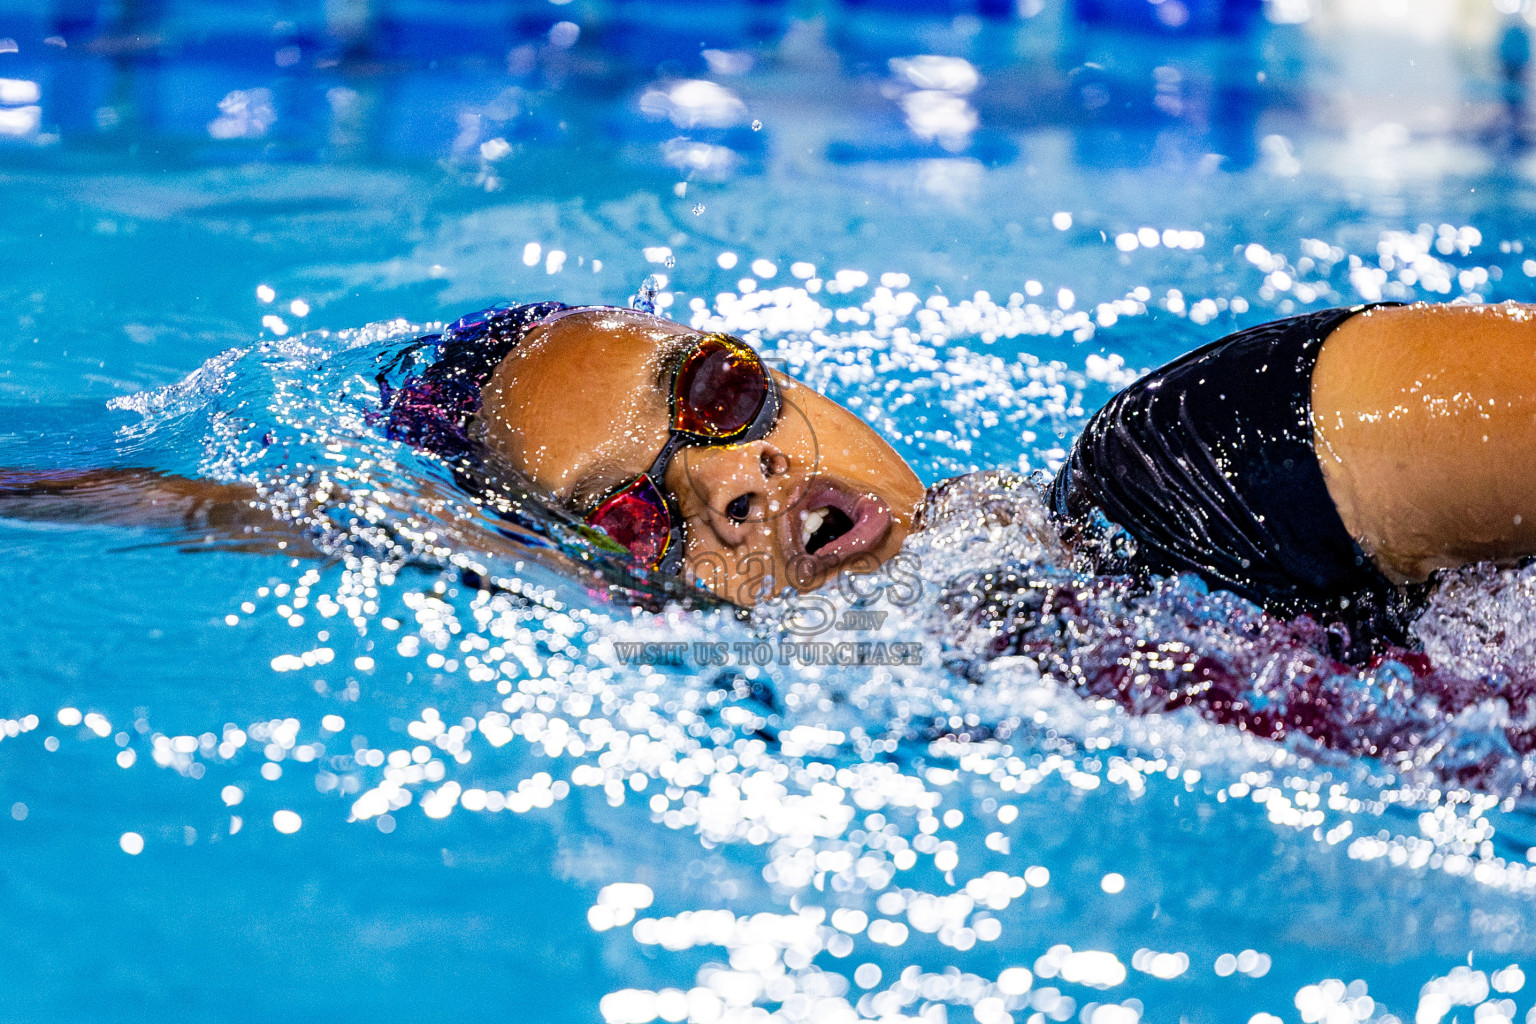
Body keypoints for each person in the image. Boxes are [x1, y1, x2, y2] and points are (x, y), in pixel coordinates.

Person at [8, 298, 1536, 651]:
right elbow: (380, 535)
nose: (735, 487)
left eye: (722, 399)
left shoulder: (1215, 464)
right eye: (631, 514)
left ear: (783, 373)